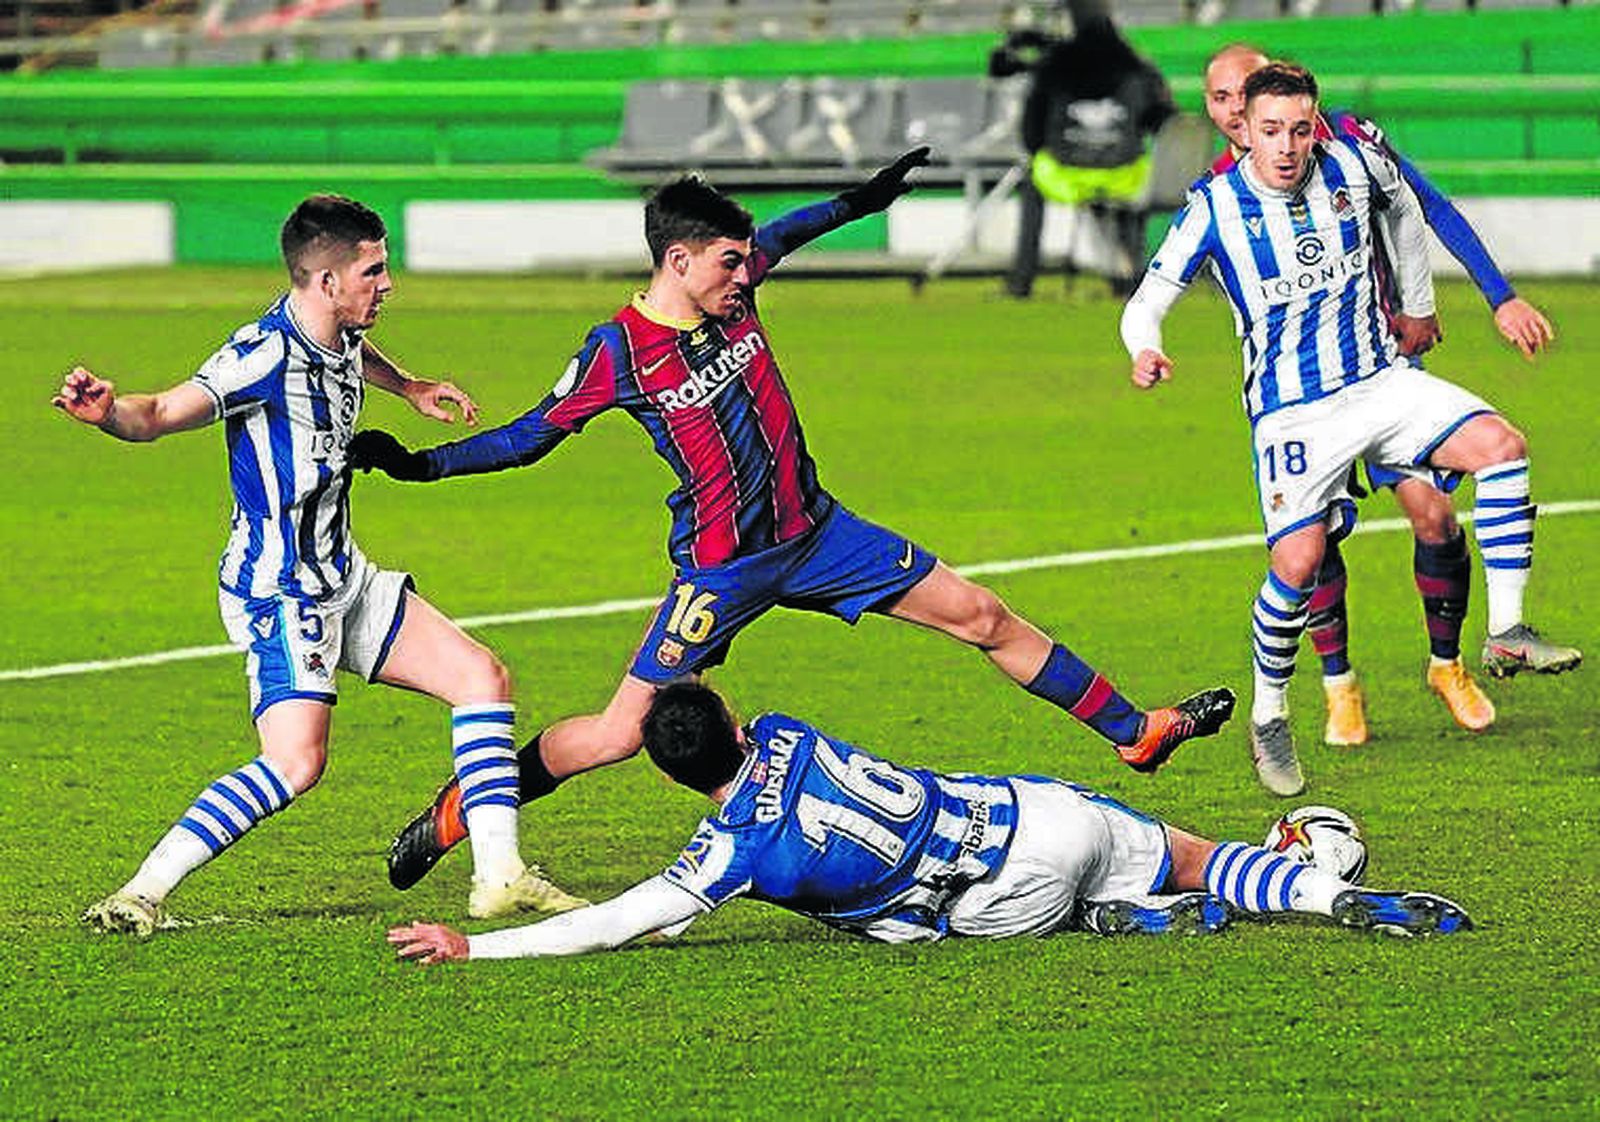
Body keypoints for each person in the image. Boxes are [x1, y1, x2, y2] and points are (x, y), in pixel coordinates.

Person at [351, 155, 1235, 894]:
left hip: (819, 536)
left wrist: (863, 201)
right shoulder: (618, 351)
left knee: (983, 616)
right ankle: (464, 806)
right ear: (680, 261)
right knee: (621, 734)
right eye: (731, 263)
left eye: (746, 263)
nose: (749, 275)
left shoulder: (733, 289)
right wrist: (415, 464)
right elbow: (525, 438)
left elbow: (789, 232)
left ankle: (1136, 731)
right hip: (720, 572)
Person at [53, 194, 584, 937]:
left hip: (345, 575)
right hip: (280, 589)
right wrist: (110, 412)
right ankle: (142, 890)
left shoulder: (337, 332)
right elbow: (164, 413)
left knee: (480, 678)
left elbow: (352, 356)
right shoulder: (260, 356)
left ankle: (499, 876)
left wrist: (408, 386)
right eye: (373, 271)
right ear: (327, 282)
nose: (388, 284)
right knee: (296, 764)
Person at [1119, 63, 1581, 797]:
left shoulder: (1353, 160)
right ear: (1245, 127)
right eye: (1272, 130)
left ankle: (1506, 632)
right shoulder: (1214, 206)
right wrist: (1145, 346)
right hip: (1294, 411)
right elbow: (1146, 301)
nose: (1288, 146)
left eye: (1300, 129)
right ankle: (1270, 714)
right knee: (1298, 564)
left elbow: (1407, 207)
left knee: (1503, 447)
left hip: (1380, 381)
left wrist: (1422, 301)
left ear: (1315, 123)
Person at [386, 681, 1472, 965]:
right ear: (732, 721)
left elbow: (613, 922)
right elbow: (708, 703)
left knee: (890, 917)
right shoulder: (790, 733)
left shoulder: (730, 851)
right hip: (1037, 819)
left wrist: (473, 943)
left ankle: (1107, 922)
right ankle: (1331, 894)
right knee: (1205, 855)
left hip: (986, 914)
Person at [991, 1, 1176, 298]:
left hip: (1066, 176)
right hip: (1124, 175)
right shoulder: (1137, 66)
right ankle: (1129, 278)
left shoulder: (1054, 63)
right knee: (1130, 198)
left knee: (1032, 181)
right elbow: (1162, 118)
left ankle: (1022, 279)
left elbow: (1032, 132)